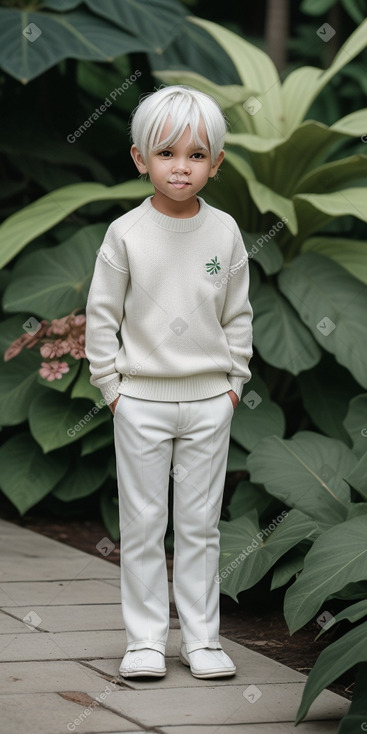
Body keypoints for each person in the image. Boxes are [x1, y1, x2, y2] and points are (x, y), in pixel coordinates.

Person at [85, 85, 253, 680]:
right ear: (139, 159)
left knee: (202, 524)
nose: (181, 166)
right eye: (166, 153)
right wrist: (113, 391)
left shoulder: (227, 232)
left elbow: (238, 314)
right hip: (140, 404)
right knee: (143, 522)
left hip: (211, 401)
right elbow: (102, 318)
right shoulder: (125, 233)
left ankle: (202, 640)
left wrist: (234, 382)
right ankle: (146, 640)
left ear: (218, 163)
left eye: (197, 154)